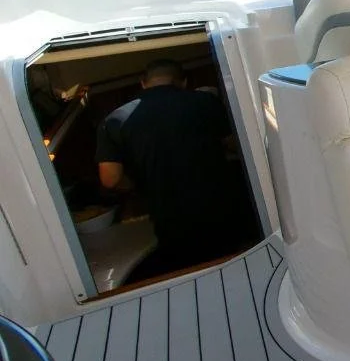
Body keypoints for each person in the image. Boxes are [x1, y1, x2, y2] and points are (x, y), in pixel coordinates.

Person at [97, 59, 256, 271]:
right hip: (220, 210)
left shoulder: (115, 119)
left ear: (143, 83)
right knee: (233, 267)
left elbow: (110, 178)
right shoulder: (205, 102)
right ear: (183, 82)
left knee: (190, 273)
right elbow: (237, 145)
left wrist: (140, 183)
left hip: (169, 218)